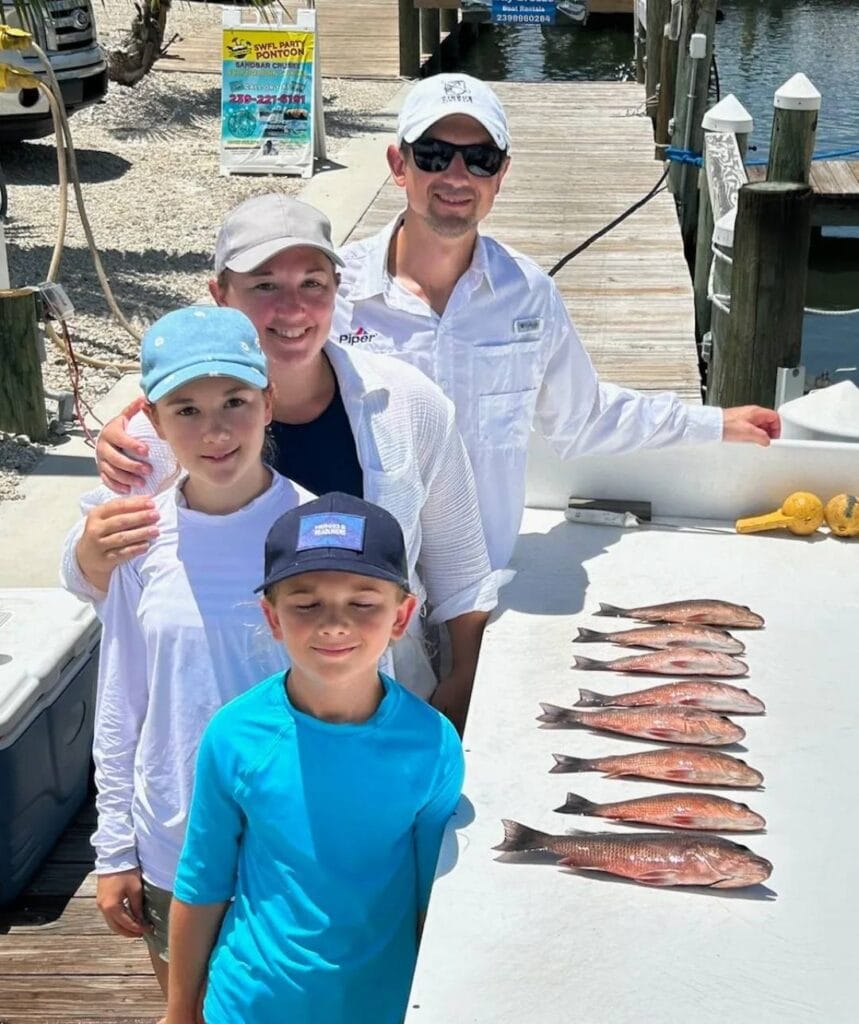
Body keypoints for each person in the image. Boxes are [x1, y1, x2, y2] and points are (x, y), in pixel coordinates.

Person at [61, 196, 506, 729]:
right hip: (210, 724)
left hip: (379, 722)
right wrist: (91, 551)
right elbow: (91, 576)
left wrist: (463, 685)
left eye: (312, 283)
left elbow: (461, 571)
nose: (292, 309)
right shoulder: (152, 434)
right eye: (264, 285)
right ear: (220, 295)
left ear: (337, 292)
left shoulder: (411, 402)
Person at [329, 73, 783, 570]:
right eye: (434, 154)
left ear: (500, 175)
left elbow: (584, 417)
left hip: (480, 594)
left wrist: (711, 421)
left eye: (480, 159)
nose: (457, 176)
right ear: (399, 164)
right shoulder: (330, 290)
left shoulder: (529, 295)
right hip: (355, 596)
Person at [165, 492, 464, 1024]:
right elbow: (202, 882)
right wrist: (180, 1010)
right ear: (272, 616)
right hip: (245, 1005)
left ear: (402, 616)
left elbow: (432, 900)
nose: (333, 623)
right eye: (306, 604)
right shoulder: (233, 735)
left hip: (382, 1006)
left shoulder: (434, 744)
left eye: (363, 602)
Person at [90, 306, 314, 1001]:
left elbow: (367, 691)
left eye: (235, 402)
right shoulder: (138, 538)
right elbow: (122, 699)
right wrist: (114, 848)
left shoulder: (318, 531)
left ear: (268, 403)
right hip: (172, 843)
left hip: (294, 837)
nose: (214, 430)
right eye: (185, 409)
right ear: (153, 423)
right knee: (188, 1009)